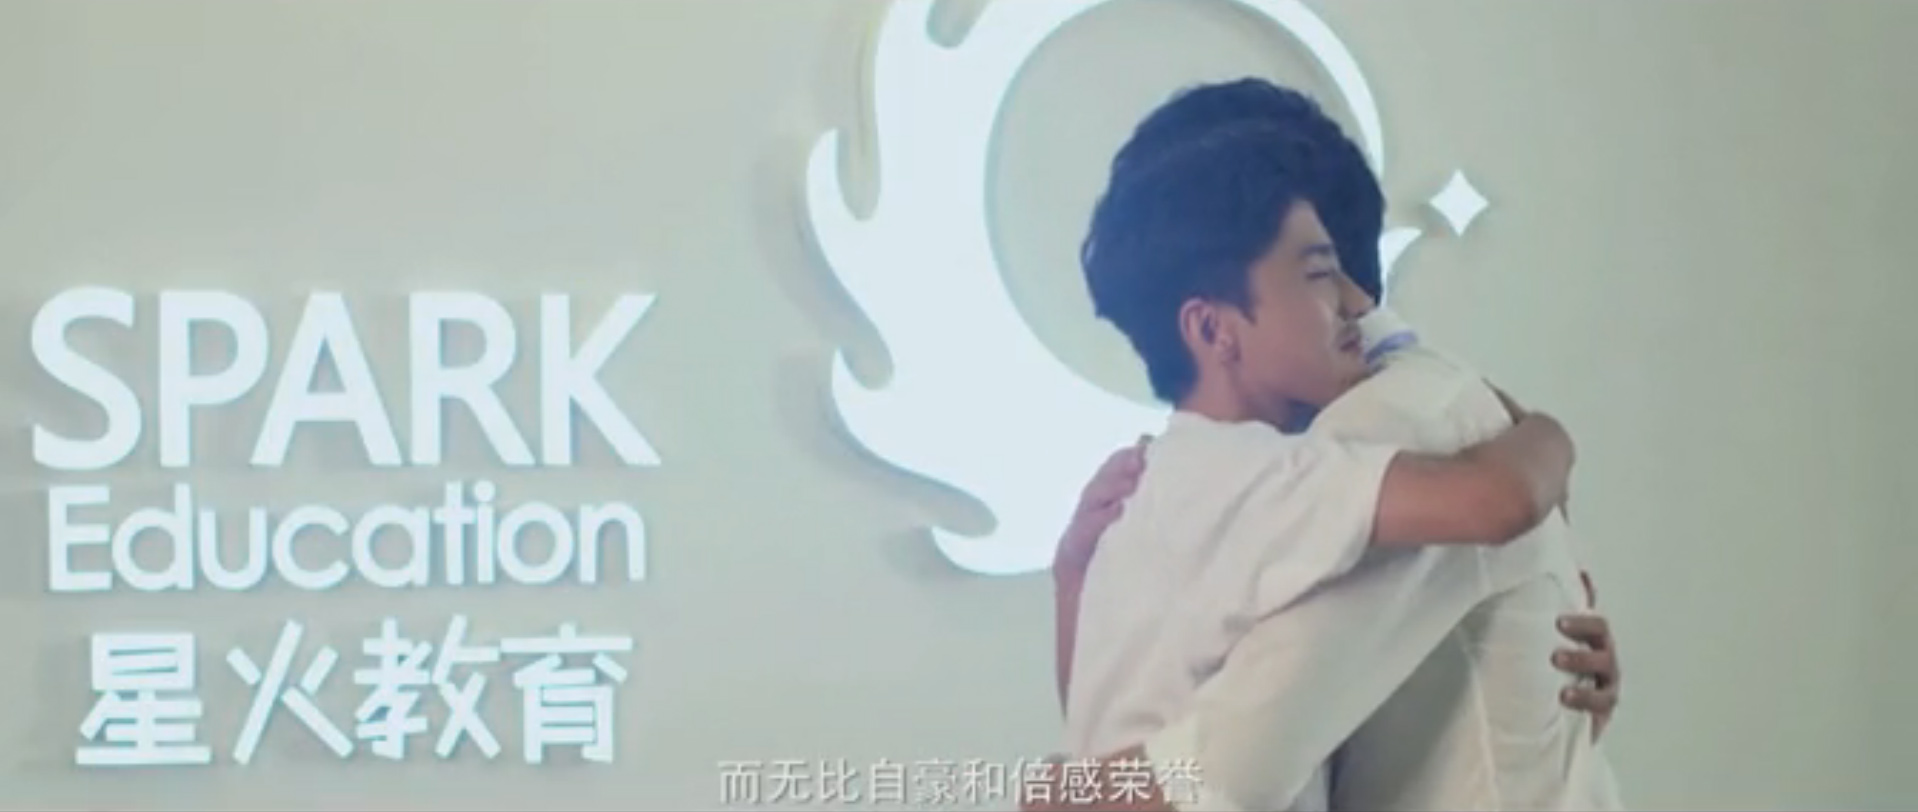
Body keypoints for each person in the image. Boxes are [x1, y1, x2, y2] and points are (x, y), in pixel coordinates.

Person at [1032, 80, 1625, 812]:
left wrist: (1062, 791)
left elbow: (1223, 761)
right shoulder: (1268, 469)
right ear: (1212, 325)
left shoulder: (1388, 426)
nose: (1347, 301)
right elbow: (1180, 736)